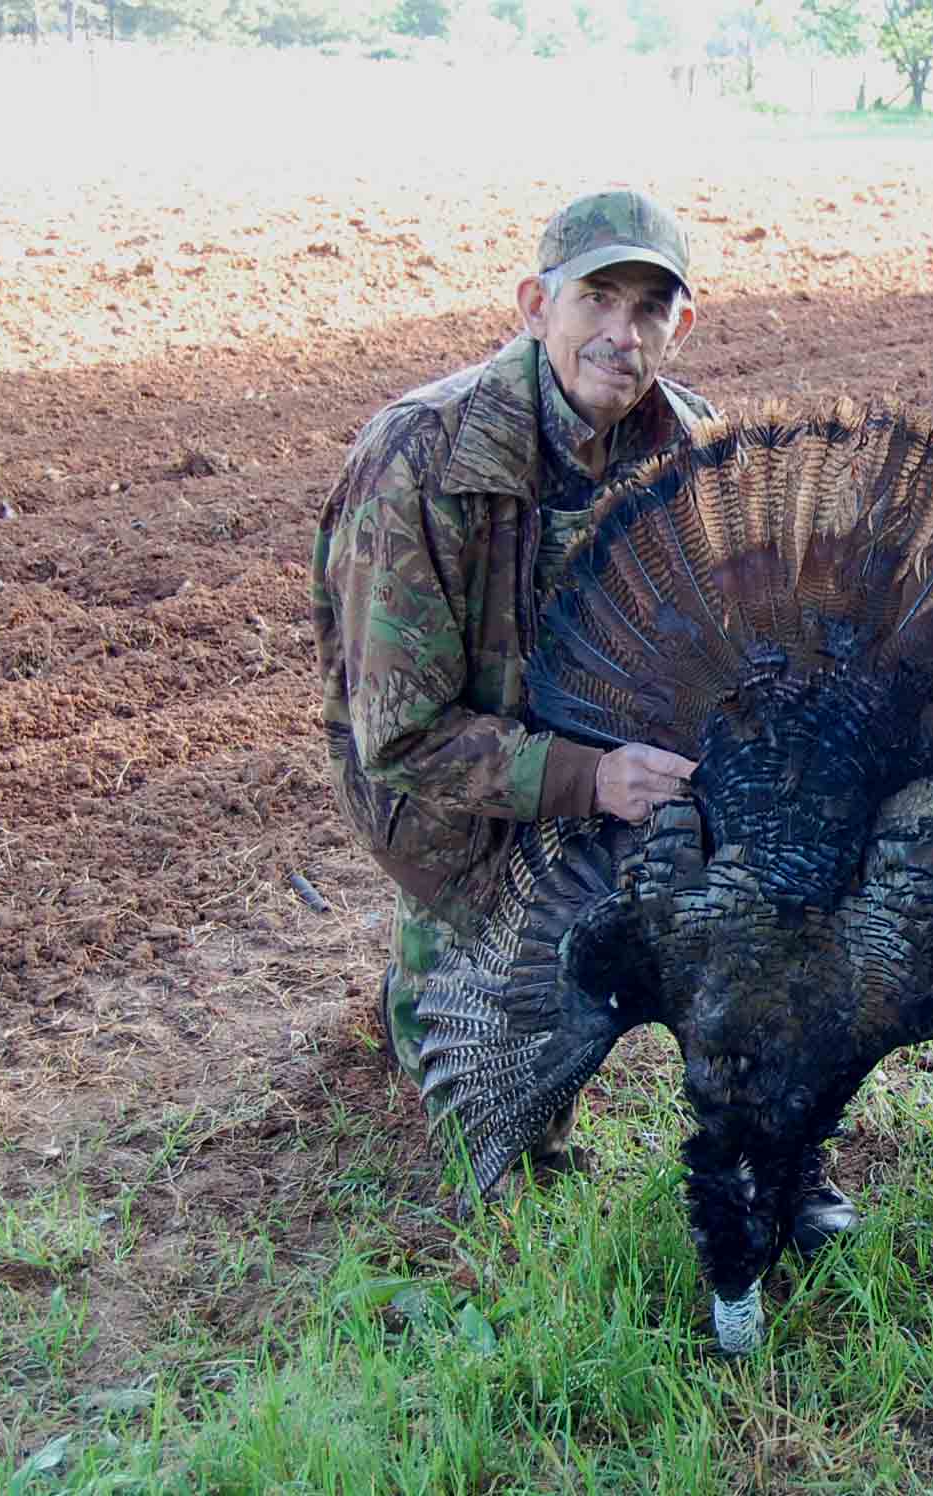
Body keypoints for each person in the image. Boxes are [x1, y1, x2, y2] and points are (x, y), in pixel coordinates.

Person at [310, 187, 857, 1244]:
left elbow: (737, 651)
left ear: (681, 323)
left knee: (777, 907)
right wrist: (591, 780)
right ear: (535, 305)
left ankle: (781, 1149)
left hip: (635, 785)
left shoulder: (692, 445)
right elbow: (402, 737)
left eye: (650, 307)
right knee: (512, 1139)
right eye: (597, 298)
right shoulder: (421, 459)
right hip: (466, 820)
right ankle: (430, 971)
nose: (623, 332)